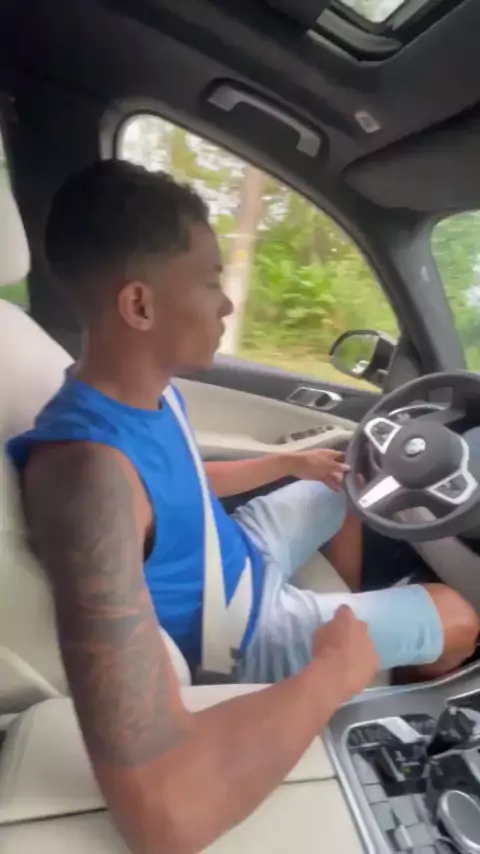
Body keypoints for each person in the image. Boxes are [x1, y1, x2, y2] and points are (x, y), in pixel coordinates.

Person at [8, 161, 478, 854]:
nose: (226, 305)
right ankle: (370, 673)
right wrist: (332, 671)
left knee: (345, 474)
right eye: (208, 282)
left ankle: (351, 613)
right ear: (140, 306)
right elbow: (162, 812)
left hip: (235, 553)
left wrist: (286, 464)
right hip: (237, 629)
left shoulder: (139, 393)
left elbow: (179, 489)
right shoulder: (87, 480)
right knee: (461, 616)